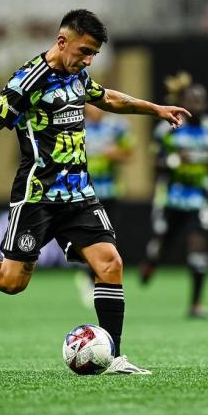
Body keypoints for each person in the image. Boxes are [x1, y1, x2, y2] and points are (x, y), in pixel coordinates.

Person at [0, 9, 190, 375]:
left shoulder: (78, 75)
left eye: (94, 55)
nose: (88, 60)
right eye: (85, 51)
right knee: (11, 282)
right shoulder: (27, 81)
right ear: (62, 42)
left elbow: (107, 98)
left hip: (78, 194)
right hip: (37, 196)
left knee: (111, 264)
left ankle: (114, 355)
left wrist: (156, 109)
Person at [139, 72, 208, 319]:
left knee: (199, 247)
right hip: (172, 197)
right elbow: (156, 163)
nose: (197, 105)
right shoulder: (168, 128)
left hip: (200, 197)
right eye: (192, 100)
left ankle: (196, 304)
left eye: (201, 101)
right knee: (162, 245)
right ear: (183, 103)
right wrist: (177, 160)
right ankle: (151, 264)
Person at [74, 104, 132, 308]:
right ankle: (90, 277)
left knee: (110, 238)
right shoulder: (76, 125)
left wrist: (112, 153)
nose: (94, 109)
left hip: (110, 191)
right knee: (90, 237)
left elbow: (128, 153)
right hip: (85, 192)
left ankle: (94, 277)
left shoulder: (116, 126)